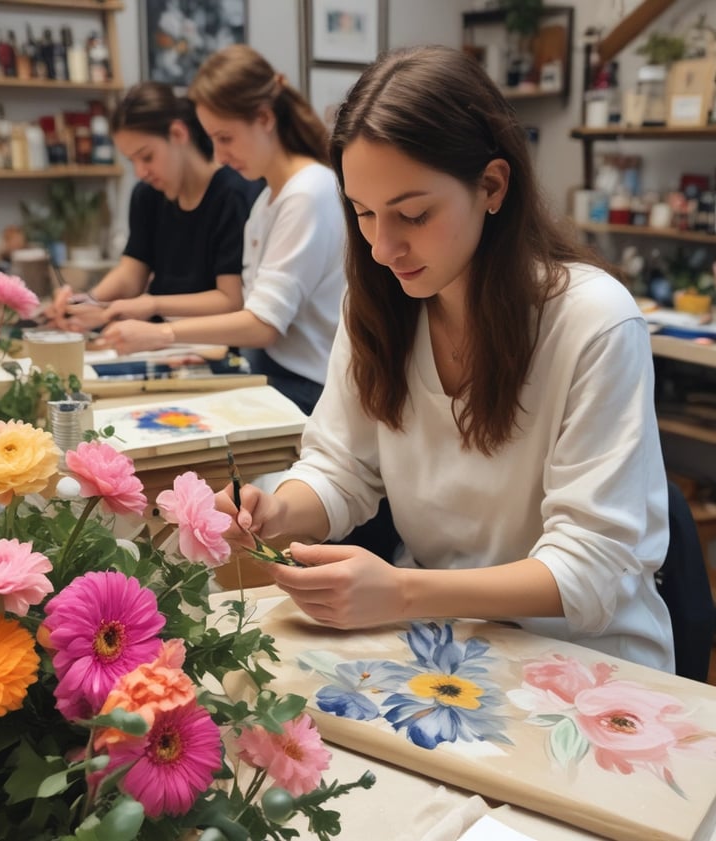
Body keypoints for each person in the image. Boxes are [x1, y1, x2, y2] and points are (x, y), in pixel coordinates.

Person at [217, 45, 675, 673]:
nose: (383, 247)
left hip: (586, 658)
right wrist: (273, 509)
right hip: (441, 641)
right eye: (363, 213)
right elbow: (341, 468)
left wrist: (402, 593)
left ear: (491, 185)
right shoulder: (378, 308)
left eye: (412, 214)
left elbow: (591, 567)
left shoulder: (593, 321)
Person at [98, 45, 345, 415]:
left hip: (309, 390)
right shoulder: (267, 201)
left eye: (225, 138)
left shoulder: (308, 192)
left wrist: (161, 332)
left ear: (264, 119)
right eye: (212, 139)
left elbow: (263, 325)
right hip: (271, 373)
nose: (219, 154)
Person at [49, 80, 260, 333]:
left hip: (215, 345)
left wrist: (152, 304)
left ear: (179, 134)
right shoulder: (147, 196)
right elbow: (131, 273)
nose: (141, 172)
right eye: (132, 162)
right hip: (158, 342)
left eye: (147, 157)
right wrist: (87, 302)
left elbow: (231, 300)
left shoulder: (232, 194)